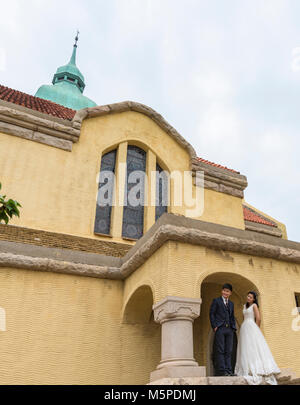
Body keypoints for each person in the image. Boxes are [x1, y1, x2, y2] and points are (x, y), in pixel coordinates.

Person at [235, 291, 281, 385]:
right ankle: (246, 368)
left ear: (254, 299)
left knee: (254, 347)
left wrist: (256, 329)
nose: (248, 298)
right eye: (248, 296)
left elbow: (258, 318)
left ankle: (257, 367)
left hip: (252, 326)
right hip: (245, 327)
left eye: (250, 297)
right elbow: (244, 317)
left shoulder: (254, 306)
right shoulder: (245, 306)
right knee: (246, 347)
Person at [209, 283, 237, 376]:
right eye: (224, 290)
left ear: (230, 293)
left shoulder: (231, 304)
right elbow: (212, 314)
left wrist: (233, 327)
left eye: (227, 291)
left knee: (228, 350)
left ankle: (229, 370)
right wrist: (214, 326)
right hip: (220, 328)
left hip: (229, 329)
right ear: (222, 291)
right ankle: (222, 370)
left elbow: (232, 316)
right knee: (220, 350)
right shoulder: (216, 301)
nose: (225, 292)